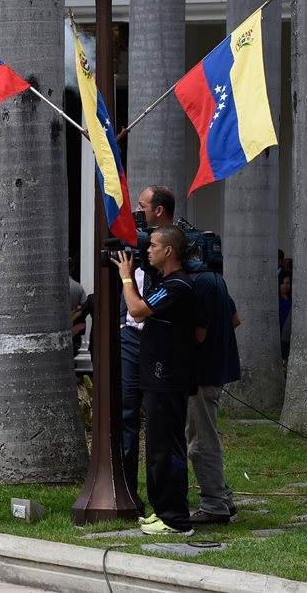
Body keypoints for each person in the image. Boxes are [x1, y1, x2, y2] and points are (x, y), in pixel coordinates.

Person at [113, 225, 197, 535]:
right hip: (158, 376)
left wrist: (125, 274)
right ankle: (162, 509)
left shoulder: (176, 285)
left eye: (154, 245)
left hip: (168, 377)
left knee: (167, 448)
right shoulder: (168, 282)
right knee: (158, 447)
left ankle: (176, 518)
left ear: (169, 251)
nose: (148, 250)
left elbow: (135, 310)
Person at [120, 185, 177, 497]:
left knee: (159, 419)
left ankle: (164, 495)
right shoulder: (135, 243)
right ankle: (127, 491)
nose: (136, 212)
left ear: (158, 210)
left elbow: (143, 308)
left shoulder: (173, 246)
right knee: (126, 413)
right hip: (130, 337)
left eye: (141, 206)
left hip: (158, 340)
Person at [186, 268, 241, 525]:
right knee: (203, 436)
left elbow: (198, 334)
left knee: (201, 440)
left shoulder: (201, 285)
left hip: (201, 376)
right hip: (213, 372)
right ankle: (222, 497)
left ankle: (214, 503)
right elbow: (235, 319)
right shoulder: (216, 279)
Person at [278, 270, 292, 361]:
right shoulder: (276, 301)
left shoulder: (294, 300)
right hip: (280, 337)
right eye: (282, 283)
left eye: (287, 283)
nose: (285, 285)